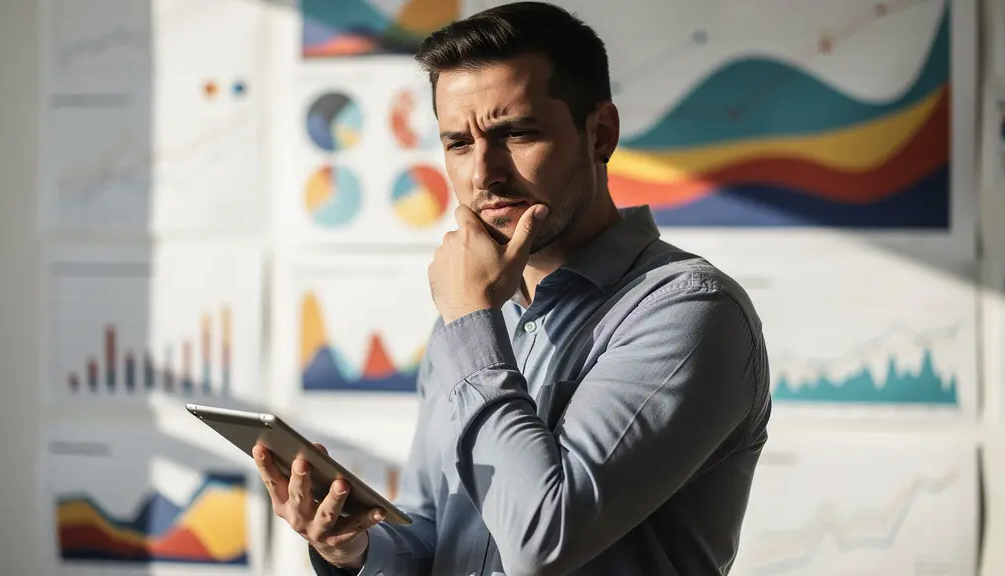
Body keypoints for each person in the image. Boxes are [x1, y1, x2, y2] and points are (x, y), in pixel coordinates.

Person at [253, 2, 772, 575]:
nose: (483, 174)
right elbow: (434, 532)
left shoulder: (689, 311)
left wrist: (470, 321)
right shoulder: (473, 314)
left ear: (600, 133)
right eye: (457, 143)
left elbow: (540, 541)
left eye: (516, 134)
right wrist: (352, 548)